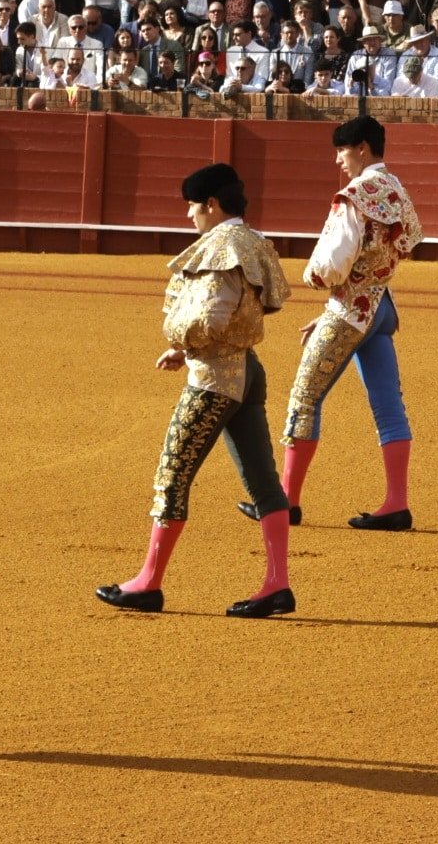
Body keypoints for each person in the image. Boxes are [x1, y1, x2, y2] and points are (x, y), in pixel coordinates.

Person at [95, 163, 294, 619]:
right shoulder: (255, 242)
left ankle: (148, 582)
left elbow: (211, 318)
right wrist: (185, 351)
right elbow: (264, 304)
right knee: (263, 481)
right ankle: (277, 583)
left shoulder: (222, 246)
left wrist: (184, 341)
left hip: (214, 382)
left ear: (211, 205)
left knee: (173, 473)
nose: (190, 216)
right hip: (247, 369)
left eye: (192, 206)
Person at [236, 116, 423, 532]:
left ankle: (286, 502)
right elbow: (412, 238)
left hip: (349, 313)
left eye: (342, 151)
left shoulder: (354, 195)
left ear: (361, 147)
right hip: (380, 306)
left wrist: (316, 281)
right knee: (389, 407)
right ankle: (397, 503)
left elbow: (330, 267)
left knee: (304, 399)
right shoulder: (397, 190)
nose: (339, 161)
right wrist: (369, 279)